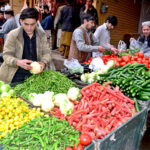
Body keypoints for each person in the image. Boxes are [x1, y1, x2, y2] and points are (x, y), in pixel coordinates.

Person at [0, 8, 51, 84]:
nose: (29, 28)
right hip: (15, 73)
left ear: (36, 22)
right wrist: (17, 62)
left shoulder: (42, 35)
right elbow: (6, 55)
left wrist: (44, 62)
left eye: (32, 24)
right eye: (26, 24)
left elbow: (47, 53)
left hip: (35, 73)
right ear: (21, 21)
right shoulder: (13, 35)